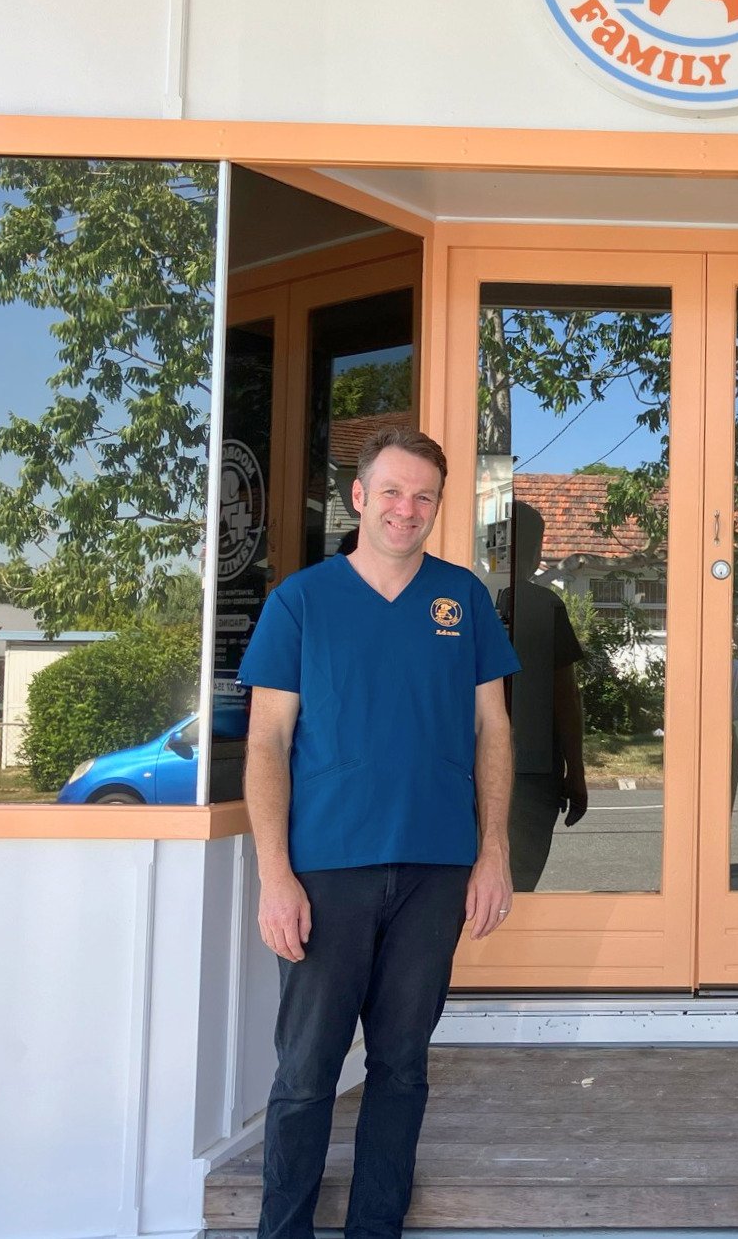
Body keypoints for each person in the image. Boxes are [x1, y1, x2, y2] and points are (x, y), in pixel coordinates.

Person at [240, 426, 519, 1239]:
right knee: (307, 1073)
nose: (407, 508)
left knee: (401, 1067)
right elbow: (266, 742)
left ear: (438, 506)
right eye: (391, 491)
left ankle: (376, 1228)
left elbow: (492, 730)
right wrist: (275, 875)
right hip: (327, 870)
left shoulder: (460, 597)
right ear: (358, 497)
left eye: (424, 496)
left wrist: (492, 851)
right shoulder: (302, 601)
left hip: (436, 869)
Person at [496, 500, 587, 891]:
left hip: (461, 767)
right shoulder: (545, 605)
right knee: (517, 886)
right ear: (535, 553)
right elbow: (565, 697)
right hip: (531, 770)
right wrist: (576, 772)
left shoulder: (460, 600)